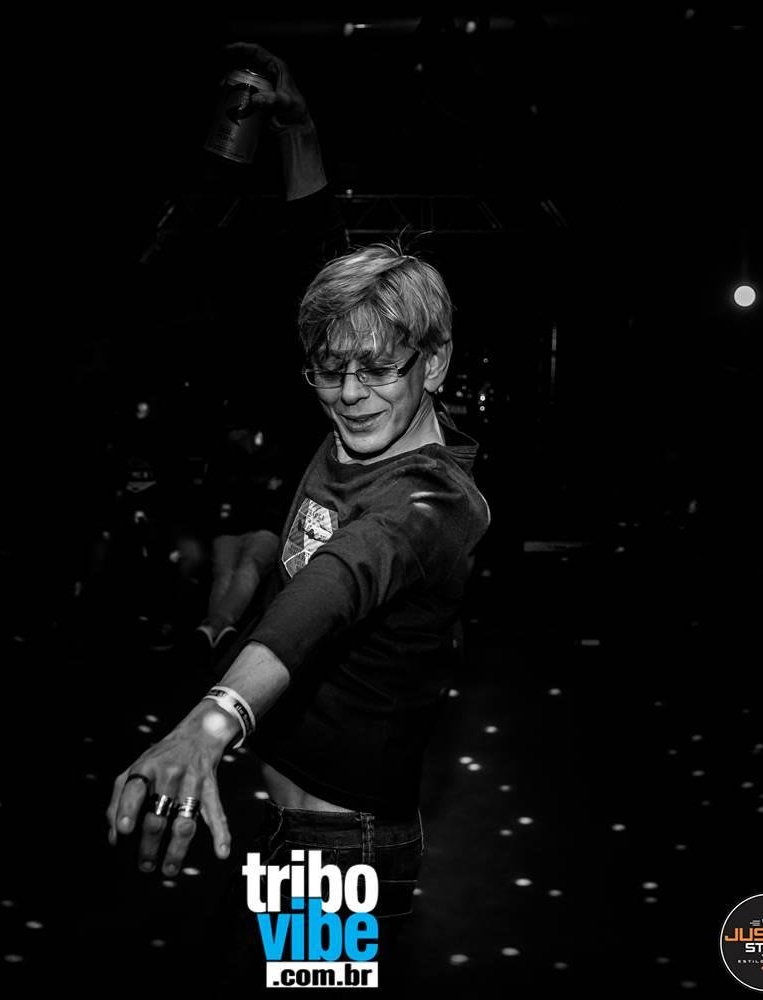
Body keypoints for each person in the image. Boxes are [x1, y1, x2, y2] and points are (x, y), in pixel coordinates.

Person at [105, 42, 491, 983]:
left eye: (379, 370)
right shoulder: (351, 420)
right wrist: (297, 124)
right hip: (295, 829)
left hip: (341, 855)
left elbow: (334, 584)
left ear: (435, 363)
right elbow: (321, 251)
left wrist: (210, 723)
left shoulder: (430, 502)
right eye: (330, 372)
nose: (351, 395)